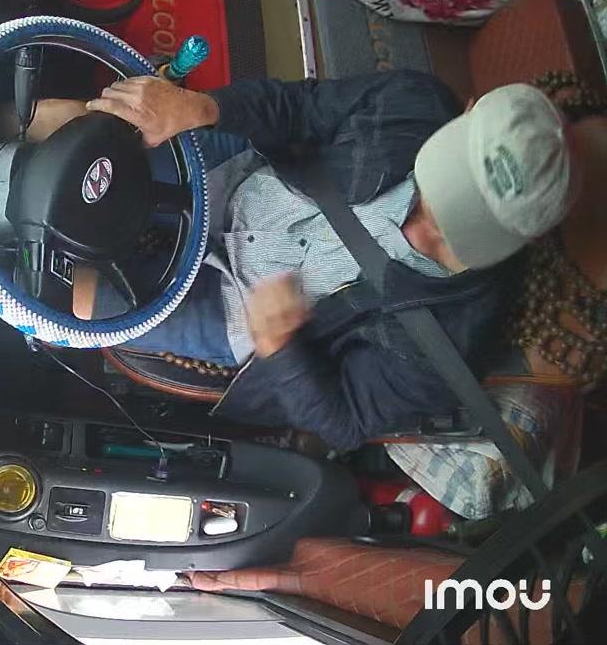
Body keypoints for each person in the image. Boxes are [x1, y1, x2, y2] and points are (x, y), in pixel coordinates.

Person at [63, 70, 576, 450]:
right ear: (468, 111)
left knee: (79, 303)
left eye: (469, 219)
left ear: (526, 237)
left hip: (237, 309)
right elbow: (298, 107)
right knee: (82, 126)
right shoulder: (413, 102)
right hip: (245, 175)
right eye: (448, 181)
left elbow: (344, 420)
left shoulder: (450, 345)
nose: (435, 222)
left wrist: (281, 346)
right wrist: (201, 107)